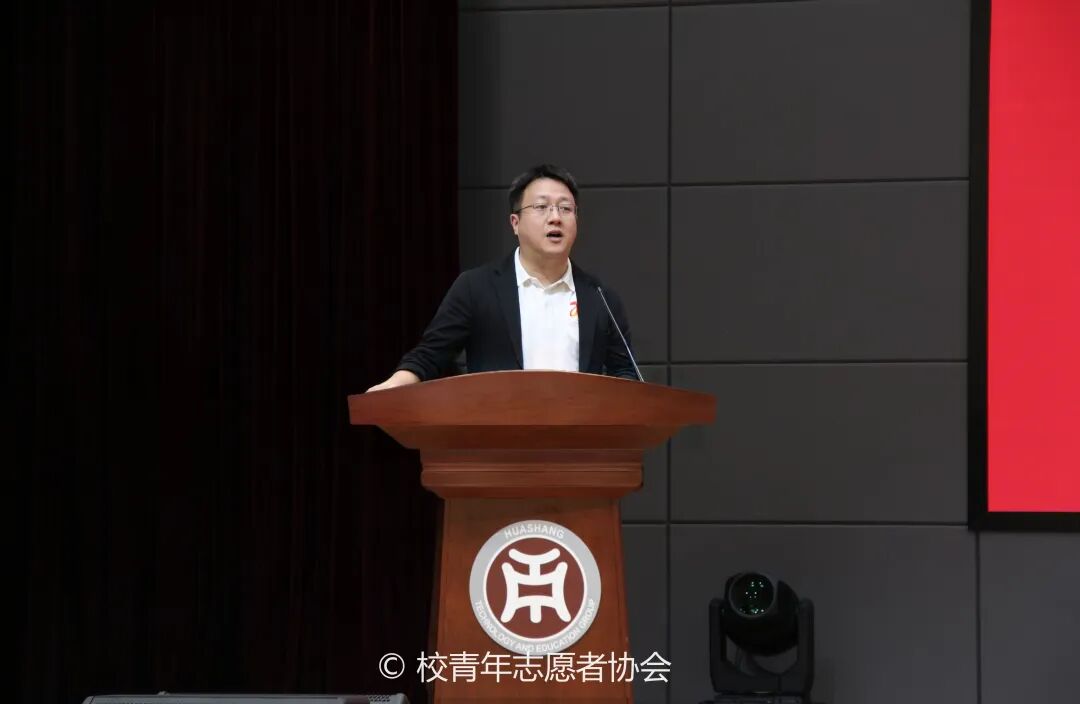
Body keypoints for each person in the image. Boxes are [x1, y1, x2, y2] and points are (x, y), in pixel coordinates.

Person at [366, 163, 640, 392]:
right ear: (515, 223)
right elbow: (430, 355)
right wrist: (392, 386)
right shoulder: (476, 287)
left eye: (566, 208)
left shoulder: (599, 297)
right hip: (499, 435)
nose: (555, 217)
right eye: (541, 207)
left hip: (578, 437)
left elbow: (625, 373)